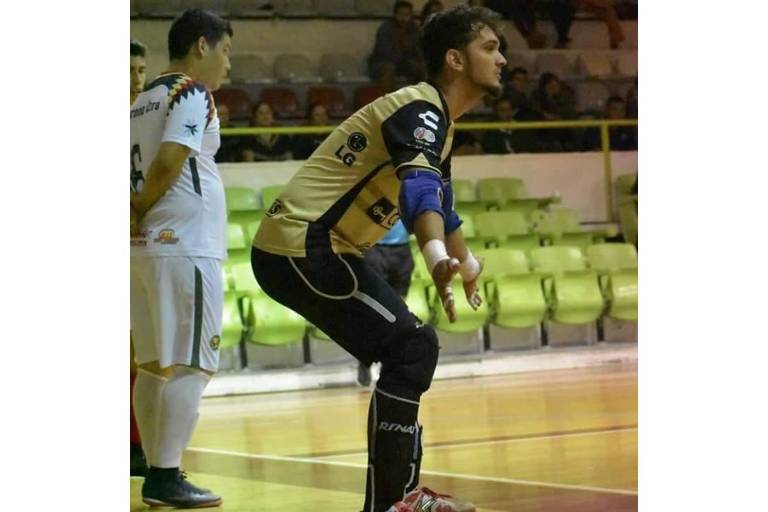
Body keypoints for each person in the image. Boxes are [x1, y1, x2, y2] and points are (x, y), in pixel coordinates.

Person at [251, 5, 502, 511]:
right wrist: (434, 258)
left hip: (319, 247)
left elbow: (443, 209)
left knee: (411, 349)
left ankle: (394, 500)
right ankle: (396, 501)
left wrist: (466, 264)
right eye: (491, 48)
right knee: (412, 347)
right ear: (455, 59)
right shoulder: (420, 109)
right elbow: (419, 192)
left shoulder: (437, 121)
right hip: (303, 243)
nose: (503, 59)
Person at [130, 9, 232, 508]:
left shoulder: (138, 99)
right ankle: (166, 476)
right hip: (183, 242)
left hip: (145, 249)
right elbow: (172, 158)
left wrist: (132, 214)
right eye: (225, 50)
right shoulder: (189, 92)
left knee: (152, 365)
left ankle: (154, 466)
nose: (228, 65)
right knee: (193, 363)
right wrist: (142, 207)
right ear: (201, 46)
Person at [358, 220, 415, 387]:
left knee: (399, 314)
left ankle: (389, 364)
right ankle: (364, 361)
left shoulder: (406, 195)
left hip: (403, 251)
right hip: (374, 248)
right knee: (374, 313)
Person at [130, 38, 149, 480]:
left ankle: (135, 446)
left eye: (141, 70)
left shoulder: (148, 119)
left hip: (139, 244)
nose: (136, 79)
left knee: (138, 354)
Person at [368, 1, 425, 92]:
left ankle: (421, 100)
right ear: (395, 15)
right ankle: (388, 103)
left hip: (405, 63)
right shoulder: (386, 29)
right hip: (383, 63)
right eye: (400, 14)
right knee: (389, 68)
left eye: (407, 14)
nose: (403, 18)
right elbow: (385, 53)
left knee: (422, 68)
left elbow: (419, 51)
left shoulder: (414, 29)